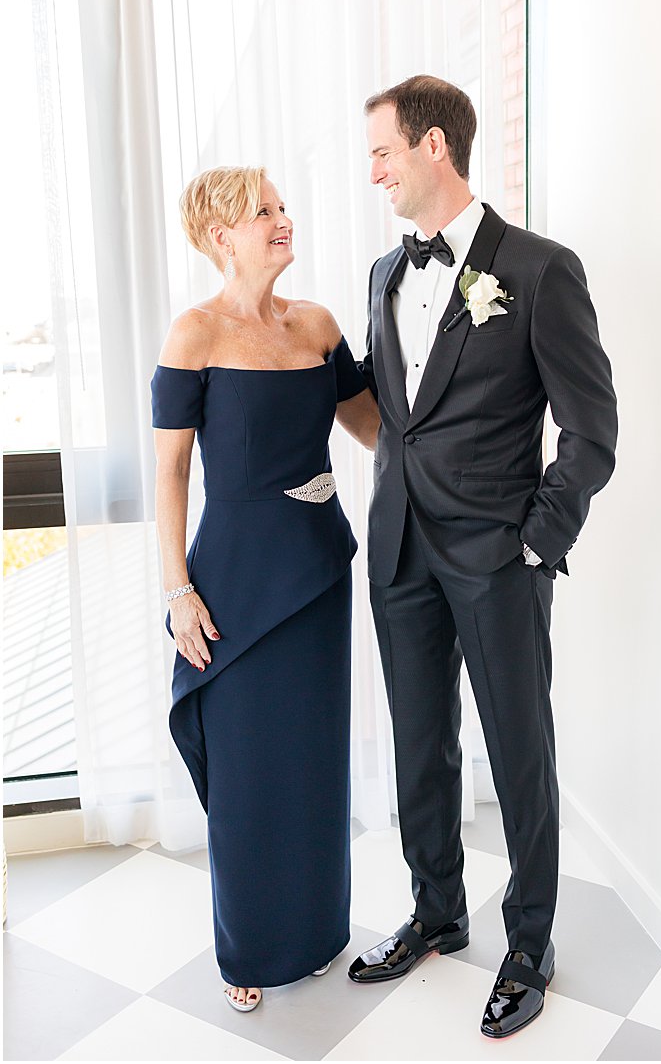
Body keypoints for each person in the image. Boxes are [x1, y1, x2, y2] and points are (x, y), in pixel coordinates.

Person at [347, 75, 617, 1039]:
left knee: (519, 751)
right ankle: (436, 909)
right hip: (401, 550)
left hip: (500, 558)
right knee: (419, 743)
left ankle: (531, 942)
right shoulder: (383, 273)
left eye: (381, 150)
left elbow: (593, 431)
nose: (371, 169)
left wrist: (536, 544)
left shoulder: (541, 270)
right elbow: (389, 411)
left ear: (432, 148)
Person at [152, 166, 380, 1013]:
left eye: (284, 207)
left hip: (318, 572)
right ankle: (247, 942)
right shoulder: (194, 334)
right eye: (265, 213)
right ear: (222, 235)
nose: (285, 221)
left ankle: (318, 930)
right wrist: (177, 589)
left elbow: (375, 428)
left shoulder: (317, 325)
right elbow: (171, 472)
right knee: (248, 771)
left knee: (313, 761)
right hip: (237, 585)